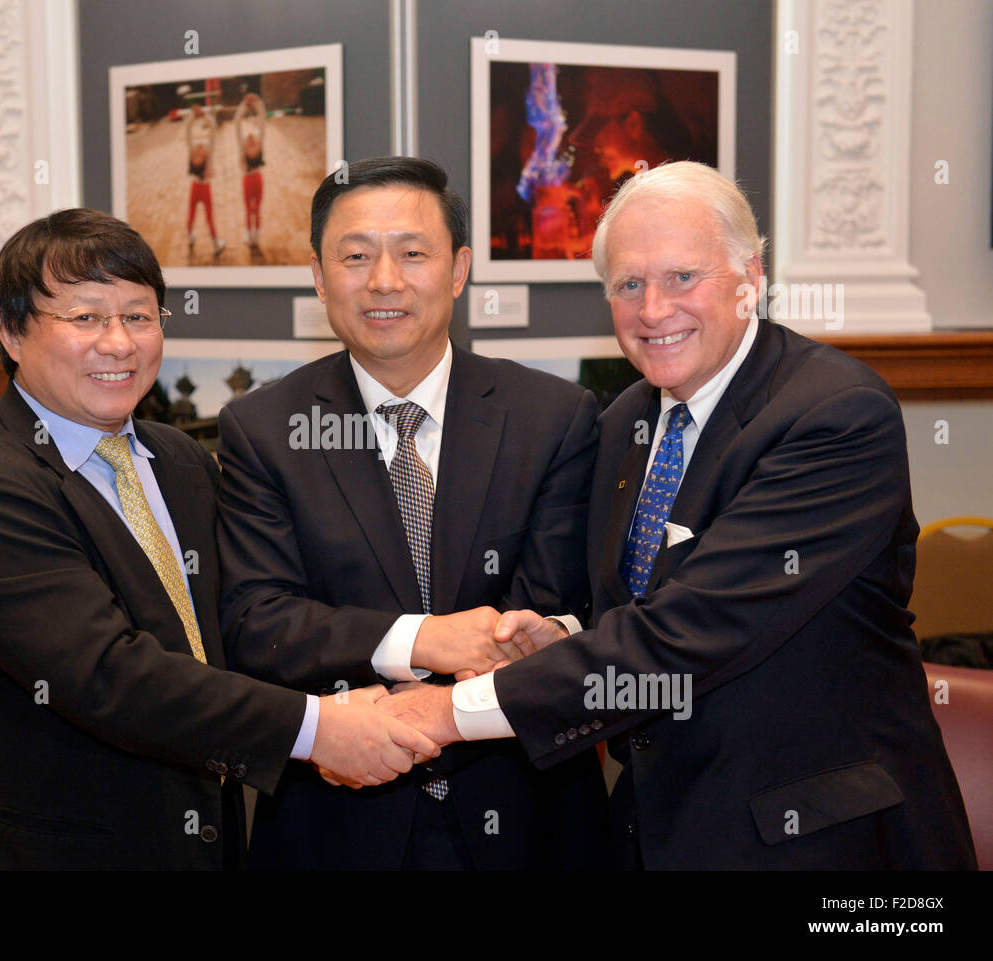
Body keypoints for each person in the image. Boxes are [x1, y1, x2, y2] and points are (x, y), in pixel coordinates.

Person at [378, 161, 978, 870]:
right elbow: (636, 608)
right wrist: (562, 636)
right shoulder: (628, 417)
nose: (653, 310)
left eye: (682, 277)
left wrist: (443, 712)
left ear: (750, 275)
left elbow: (690, 631)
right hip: (661, 829)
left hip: (820, 844)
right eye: (629, 284)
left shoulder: (834, 415)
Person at [0, 209, 437, 870]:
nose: (119, 343)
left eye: (139, 316)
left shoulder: (180, 460)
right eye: (85, 319)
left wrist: (386, 668)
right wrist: (317, 729)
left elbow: (239, 625)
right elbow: (110, 675)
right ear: (12, 332)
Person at [217, 157, 611, 870]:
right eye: (356, 256)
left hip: (527, 815)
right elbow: (259, 621)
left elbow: (544, 616)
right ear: (318, 275)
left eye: (412, 253)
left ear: (459, 270)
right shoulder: (262, 428)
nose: (384, 281)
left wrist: (417, 711)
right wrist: (426, 638)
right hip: (335, 822)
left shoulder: (553, 416)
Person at [185, 104, 224, 258]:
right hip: (204, 188)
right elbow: (212, 131)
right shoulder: (207, 155)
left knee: (193, 215)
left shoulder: (197, 154)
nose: (199, 145)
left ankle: (192, 238)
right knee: (206, 217)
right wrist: (203, 115)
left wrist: (195, 117)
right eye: (197, 147)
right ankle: (214, 244)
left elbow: (190, 131)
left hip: (196, 187)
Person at [233, 91, 267, 249]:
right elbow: (237, 123)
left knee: (257, 209)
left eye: (253, 137)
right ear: (244, 146)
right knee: (248, 209)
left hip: (257, 179)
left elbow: (262, 120)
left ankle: (257, 236)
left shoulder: (260, 145)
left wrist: (257, 102)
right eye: (247, 139)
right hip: (247, 180)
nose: (250, 138)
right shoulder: (243, 149)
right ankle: (249, 234)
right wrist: (244, 106)